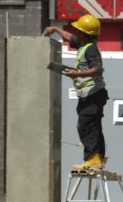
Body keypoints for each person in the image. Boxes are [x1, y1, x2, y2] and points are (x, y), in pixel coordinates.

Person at [43, 14, 108, 173]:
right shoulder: (84, 44)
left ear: (84, 33)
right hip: (90, 94)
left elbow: (97, 69)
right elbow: (69, 38)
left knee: (86, 126)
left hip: (93, 94)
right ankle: (97, 158)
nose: (75, 32)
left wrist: (77, 74)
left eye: (78, 30)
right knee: (92, 126)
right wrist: (56, 29)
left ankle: (92, 159)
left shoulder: (91, 49)